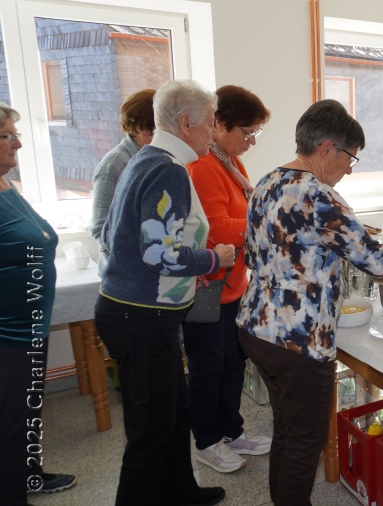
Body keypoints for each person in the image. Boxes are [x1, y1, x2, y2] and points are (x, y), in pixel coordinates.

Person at [235, 99, 383, 506]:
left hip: (255, 325)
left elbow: (252, 253)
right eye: (351, 157)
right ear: (327, 147)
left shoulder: (267, 180)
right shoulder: (320, 196)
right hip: (298, 341)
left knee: (288, 430)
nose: (350, 167)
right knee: (305, 441)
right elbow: (377, 262)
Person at [94, 80, 236, 506]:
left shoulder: (146, 159)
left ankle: (179, 491)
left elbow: (115, 235)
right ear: (186, 122)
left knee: (174, 416)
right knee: (150, 432)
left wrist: (189, 264)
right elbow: (160, 253)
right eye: (211, 124)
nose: (214, 132)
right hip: (141, 318)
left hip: (141, 312)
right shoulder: (167, 169)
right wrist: (214, 261)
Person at [184, 85, 272, 473]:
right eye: (247, 132)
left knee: (234, 364)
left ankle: (231, 431)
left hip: (234, 283)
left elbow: (245, 210)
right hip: (207, 287)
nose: (251, 141)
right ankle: (206, 440)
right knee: (208, 366)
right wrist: (266, 223)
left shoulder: (230, 161)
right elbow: (217, 228)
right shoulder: (202, 166)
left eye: (256, 133)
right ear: (219, 124)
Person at [0, 103, 76, 506]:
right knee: (10, 423)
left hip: (31, 325)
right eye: (8, 136)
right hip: (7, 332)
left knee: (28, 413)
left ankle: (29, 477)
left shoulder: (7, 184)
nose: (18, 143)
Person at [90, 88, 156, 270]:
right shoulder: (114, 165)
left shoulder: (155, 160)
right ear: (144, 130)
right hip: (123, 275)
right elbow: (100, 227)